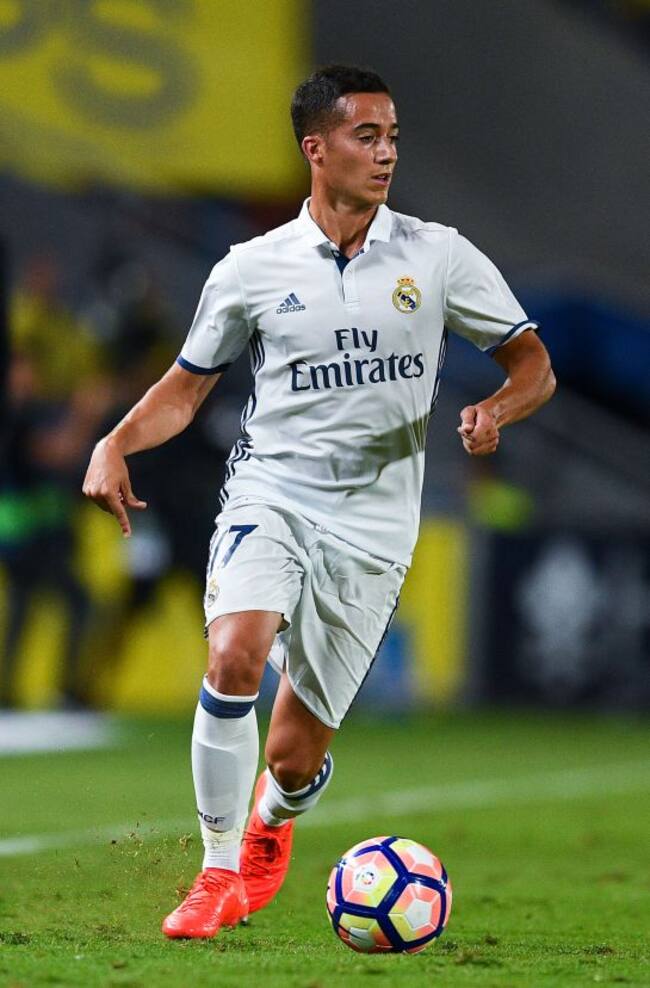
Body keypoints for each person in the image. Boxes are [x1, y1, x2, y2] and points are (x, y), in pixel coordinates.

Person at [83, 65, 555, 939]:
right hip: (274, 491)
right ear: (316, 148)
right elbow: (186, 389)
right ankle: (216, 874)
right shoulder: (251, 269)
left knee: (293, 756)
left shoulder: (438, 254)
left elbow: (532, 362)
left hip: (375, 526)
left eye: (393, 139)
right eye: (366, 137)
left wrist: (497, 407)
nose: (386, 155)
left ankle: (278, 811)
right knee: (234, 655)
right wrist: (114, 441)